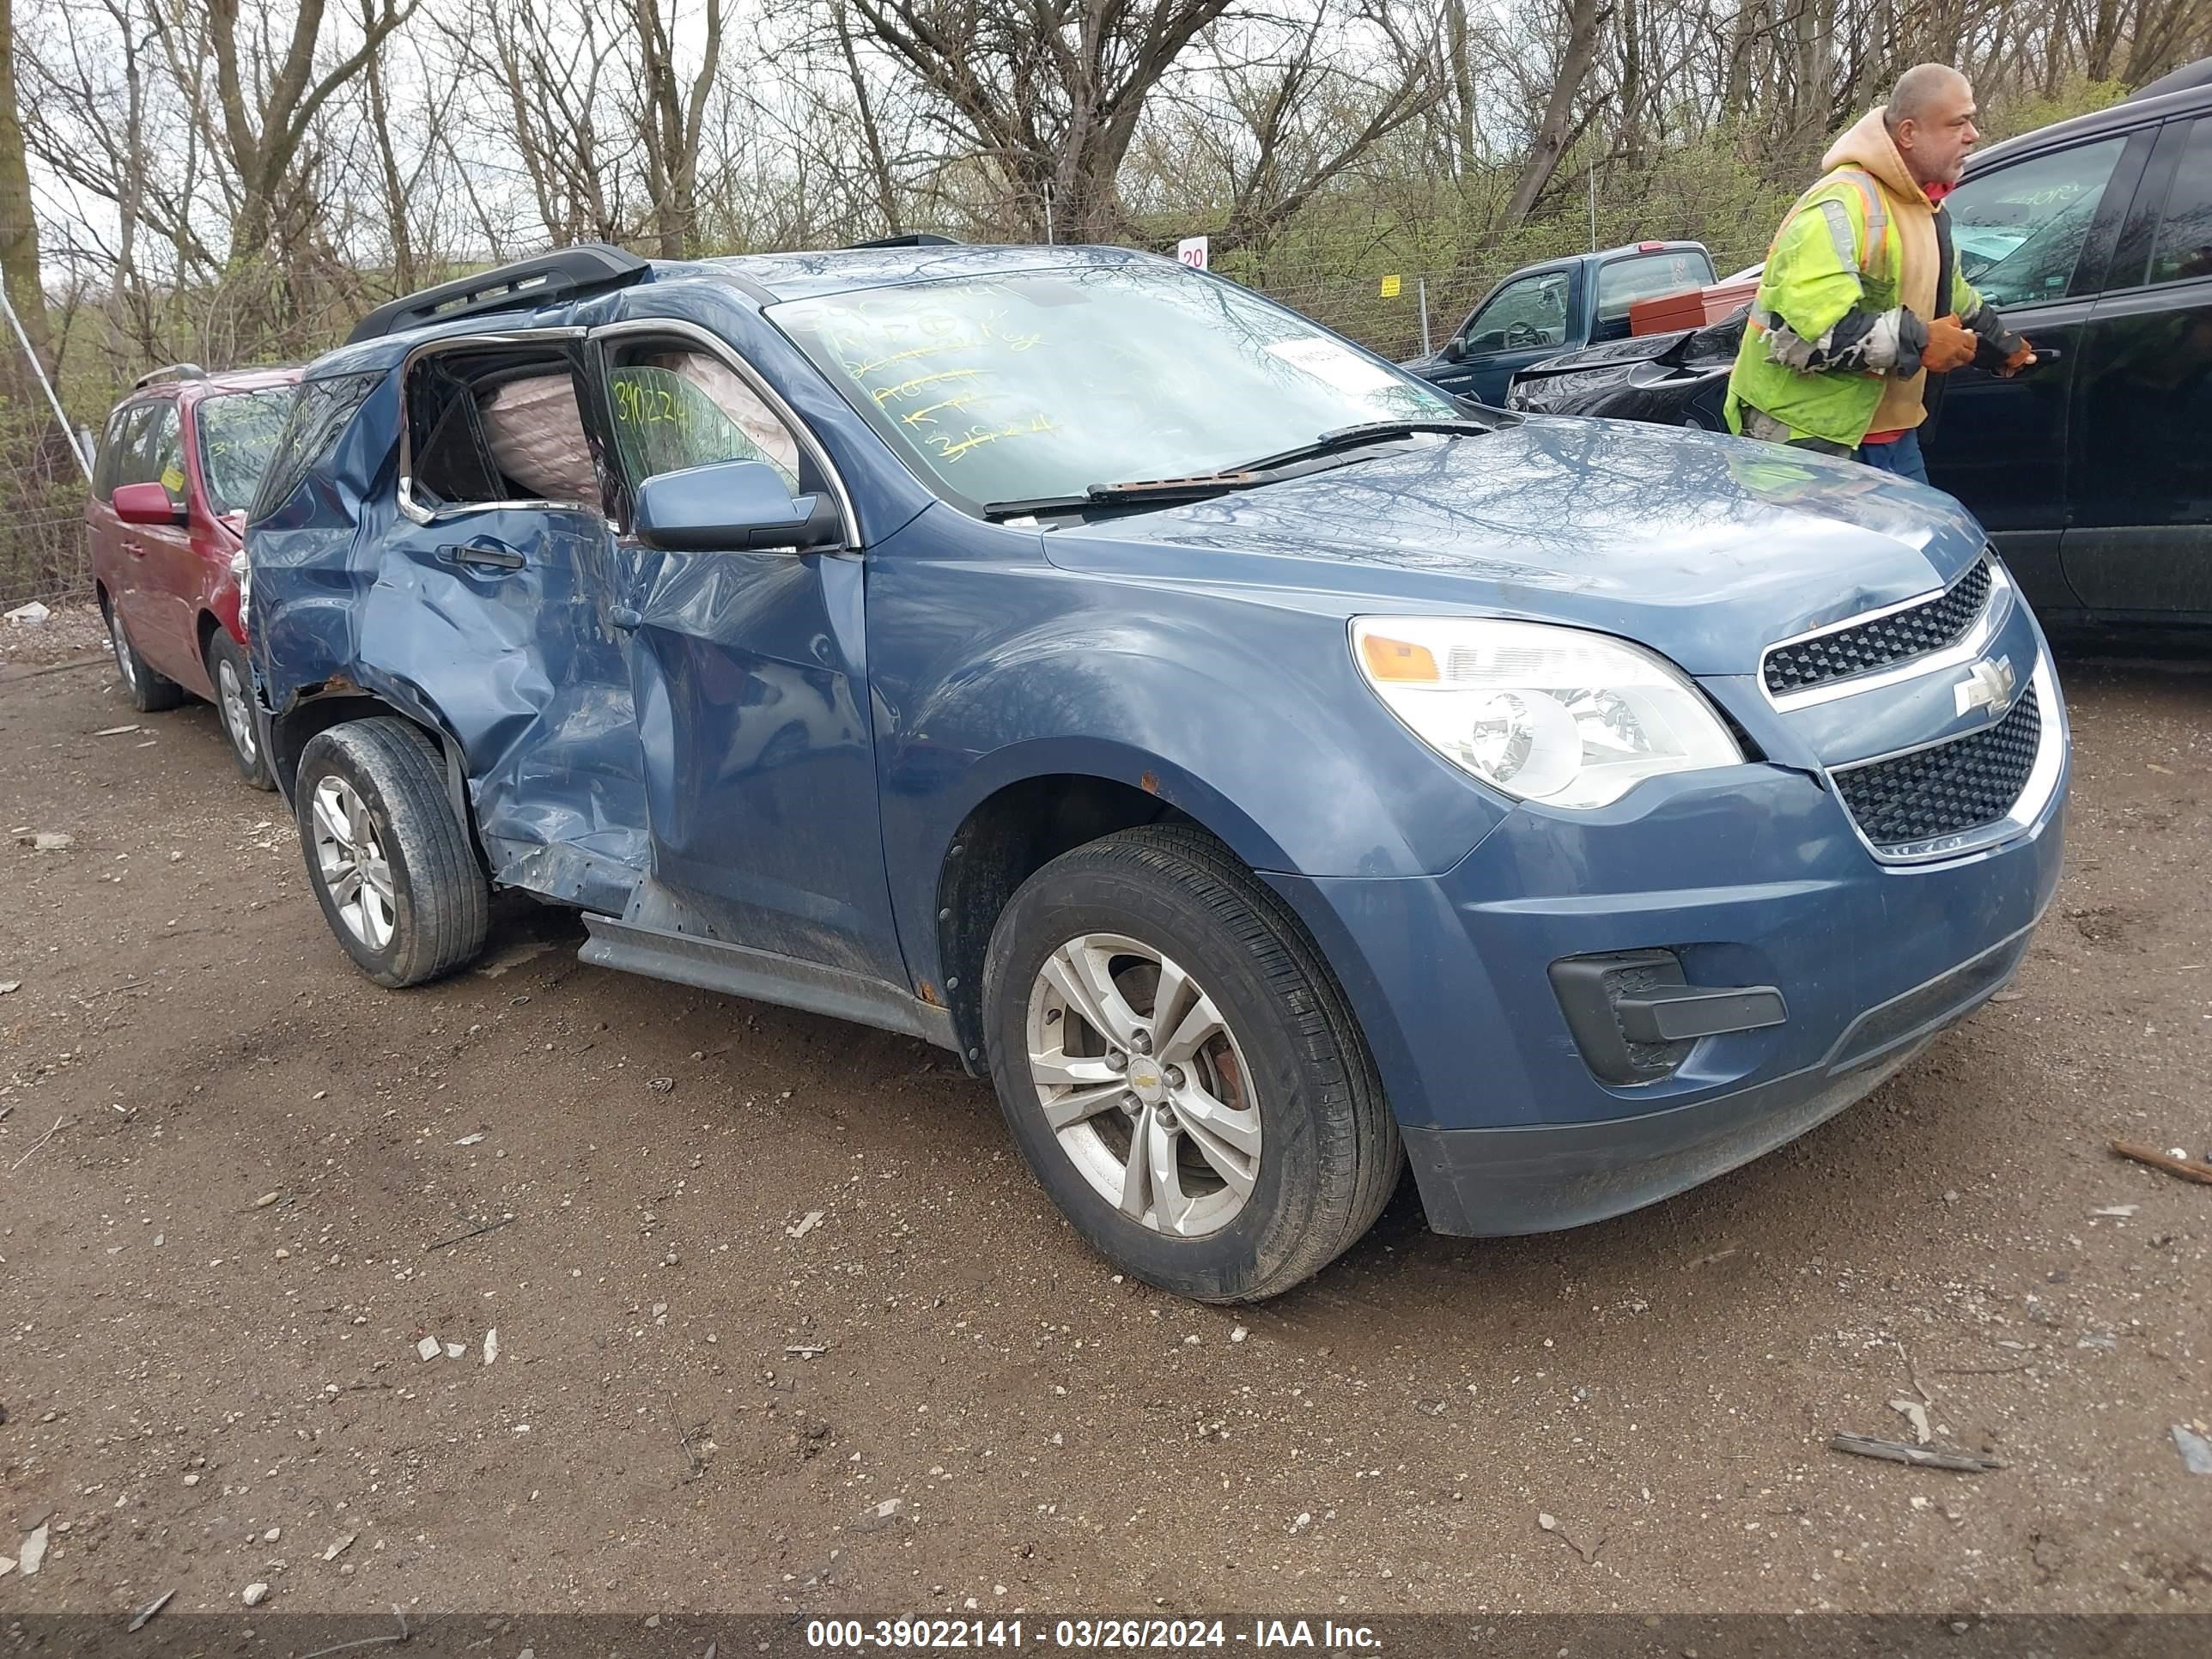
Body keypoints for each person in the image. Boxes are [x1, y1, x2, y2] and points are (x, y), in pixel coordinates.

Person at [1726, 64, 2037, 483]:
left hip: (1889, 436)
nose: (1973, 135)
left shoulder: (1923, 206)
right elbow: (1810, 331)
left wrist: (2000, 344)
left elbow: (1949, 291)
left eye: (1972, 120)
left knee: (1918, 547)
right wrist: (1924, 340)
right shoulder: (1838, 204)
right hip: (1804, 444)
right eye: (1957, 123)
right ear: (1908, 133)